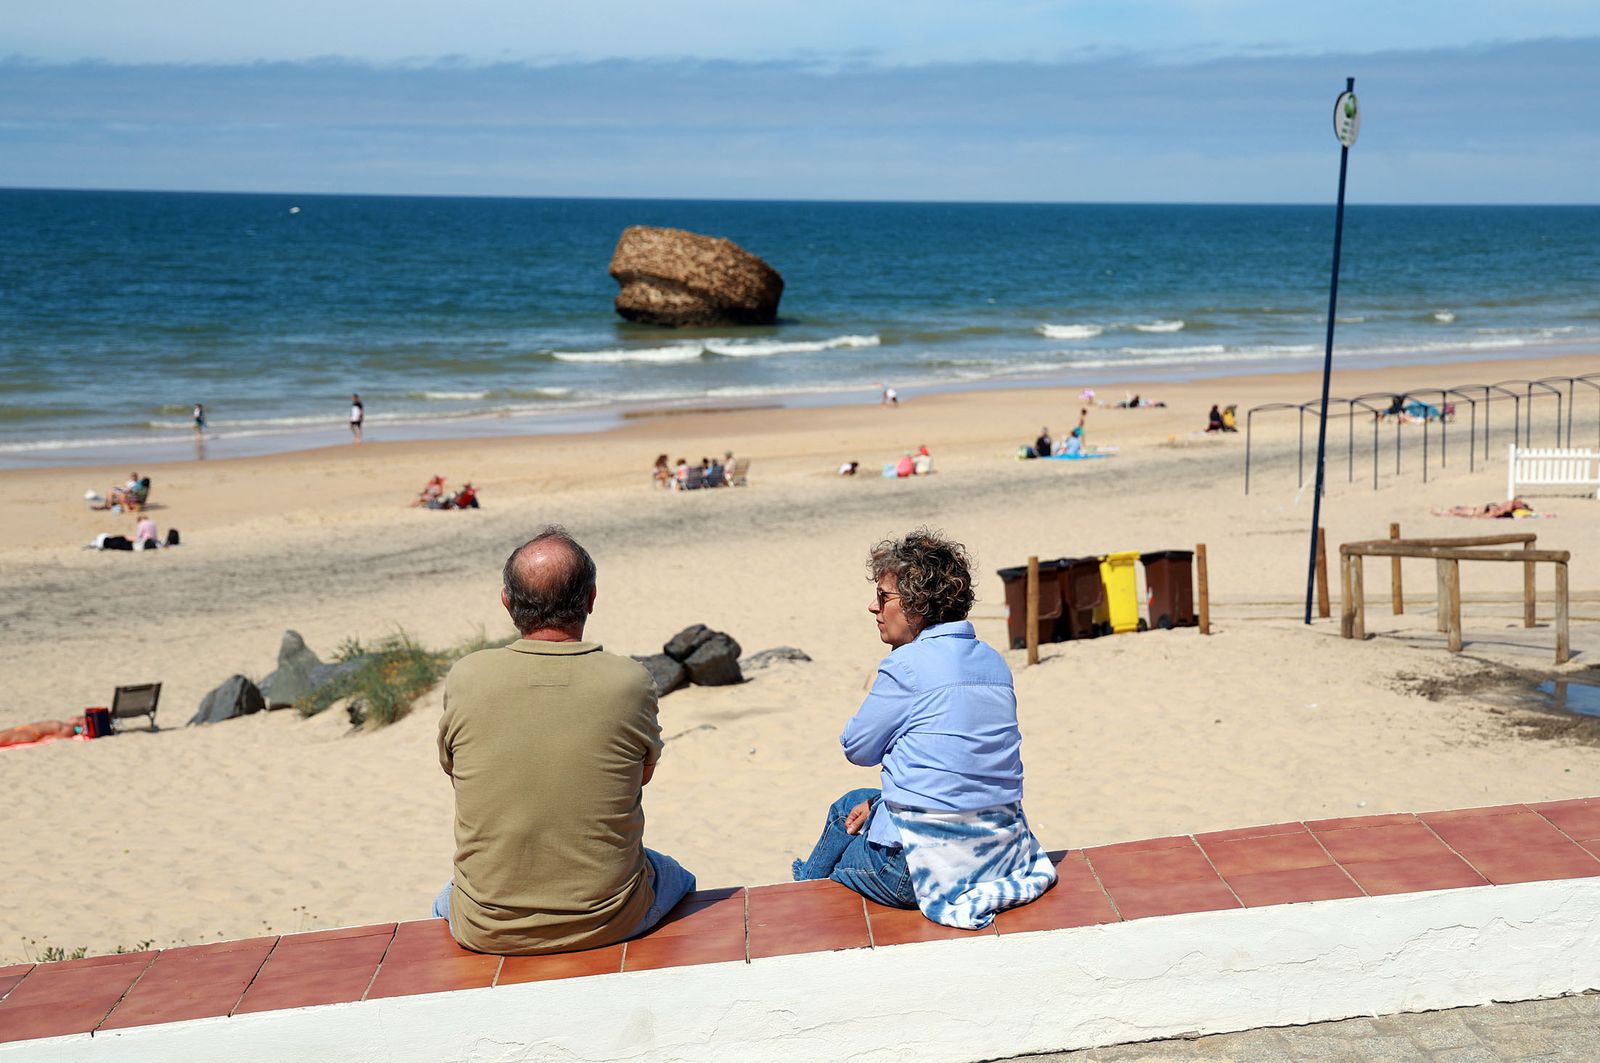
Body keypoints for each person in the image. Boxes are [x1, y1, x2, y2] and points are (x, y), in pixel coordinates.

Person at [433, 527, 694, 954]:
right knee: (679, 877)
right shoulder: (629, 680)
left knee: (445, 898)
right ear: (591, 599)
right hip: (609, 919)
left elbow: (458, 774)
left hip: (486, 926)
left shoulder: (467, 676)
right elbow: (639, 777)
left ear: (506, 602)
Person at [792, 529, 1055, 928]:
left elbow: (857, 749)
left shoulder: (906, 666)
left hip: (916, 873)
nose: (873, 607)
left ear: (916, 604)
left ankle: (802, 893)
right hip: (998, 855)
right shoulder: (993, 662)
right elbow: (956, 771)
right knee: (866, 800)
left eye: (883, 597)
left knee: (844, 814)